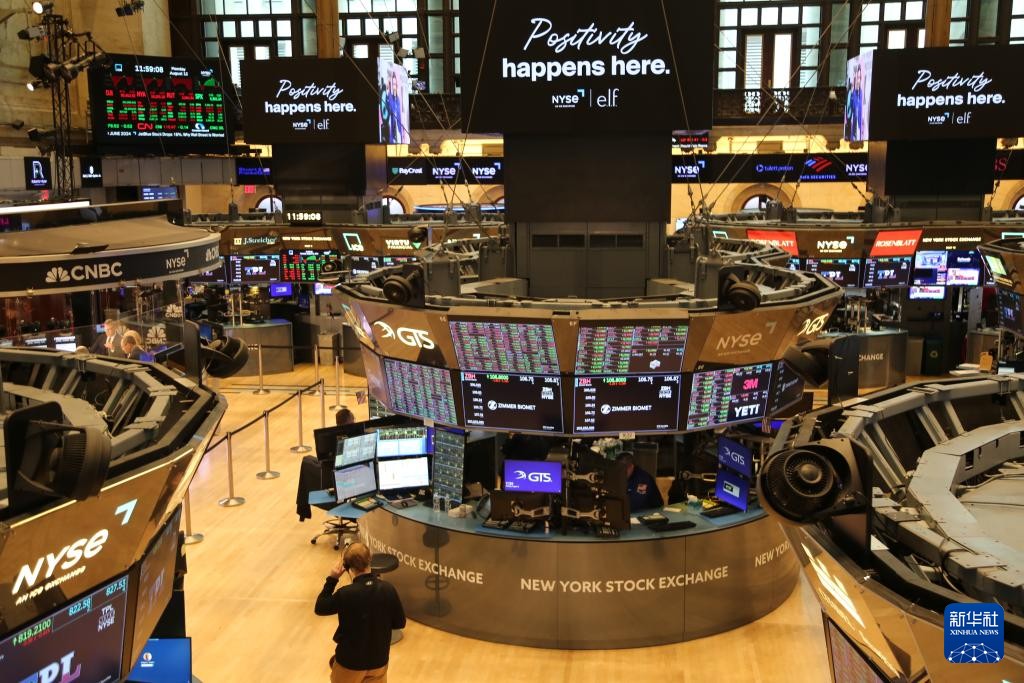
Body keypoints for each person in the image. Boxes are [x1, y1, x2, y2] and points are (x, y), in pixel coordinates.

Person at [315, 542, 406, 683]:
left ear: (347, 567)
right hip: (379, 661)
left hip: (350, 663)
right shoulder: (388, 589)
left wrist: (332, 579)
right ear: (370, 559)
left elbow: (320, 607)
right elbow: (400, 623)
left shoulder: (345, 594)